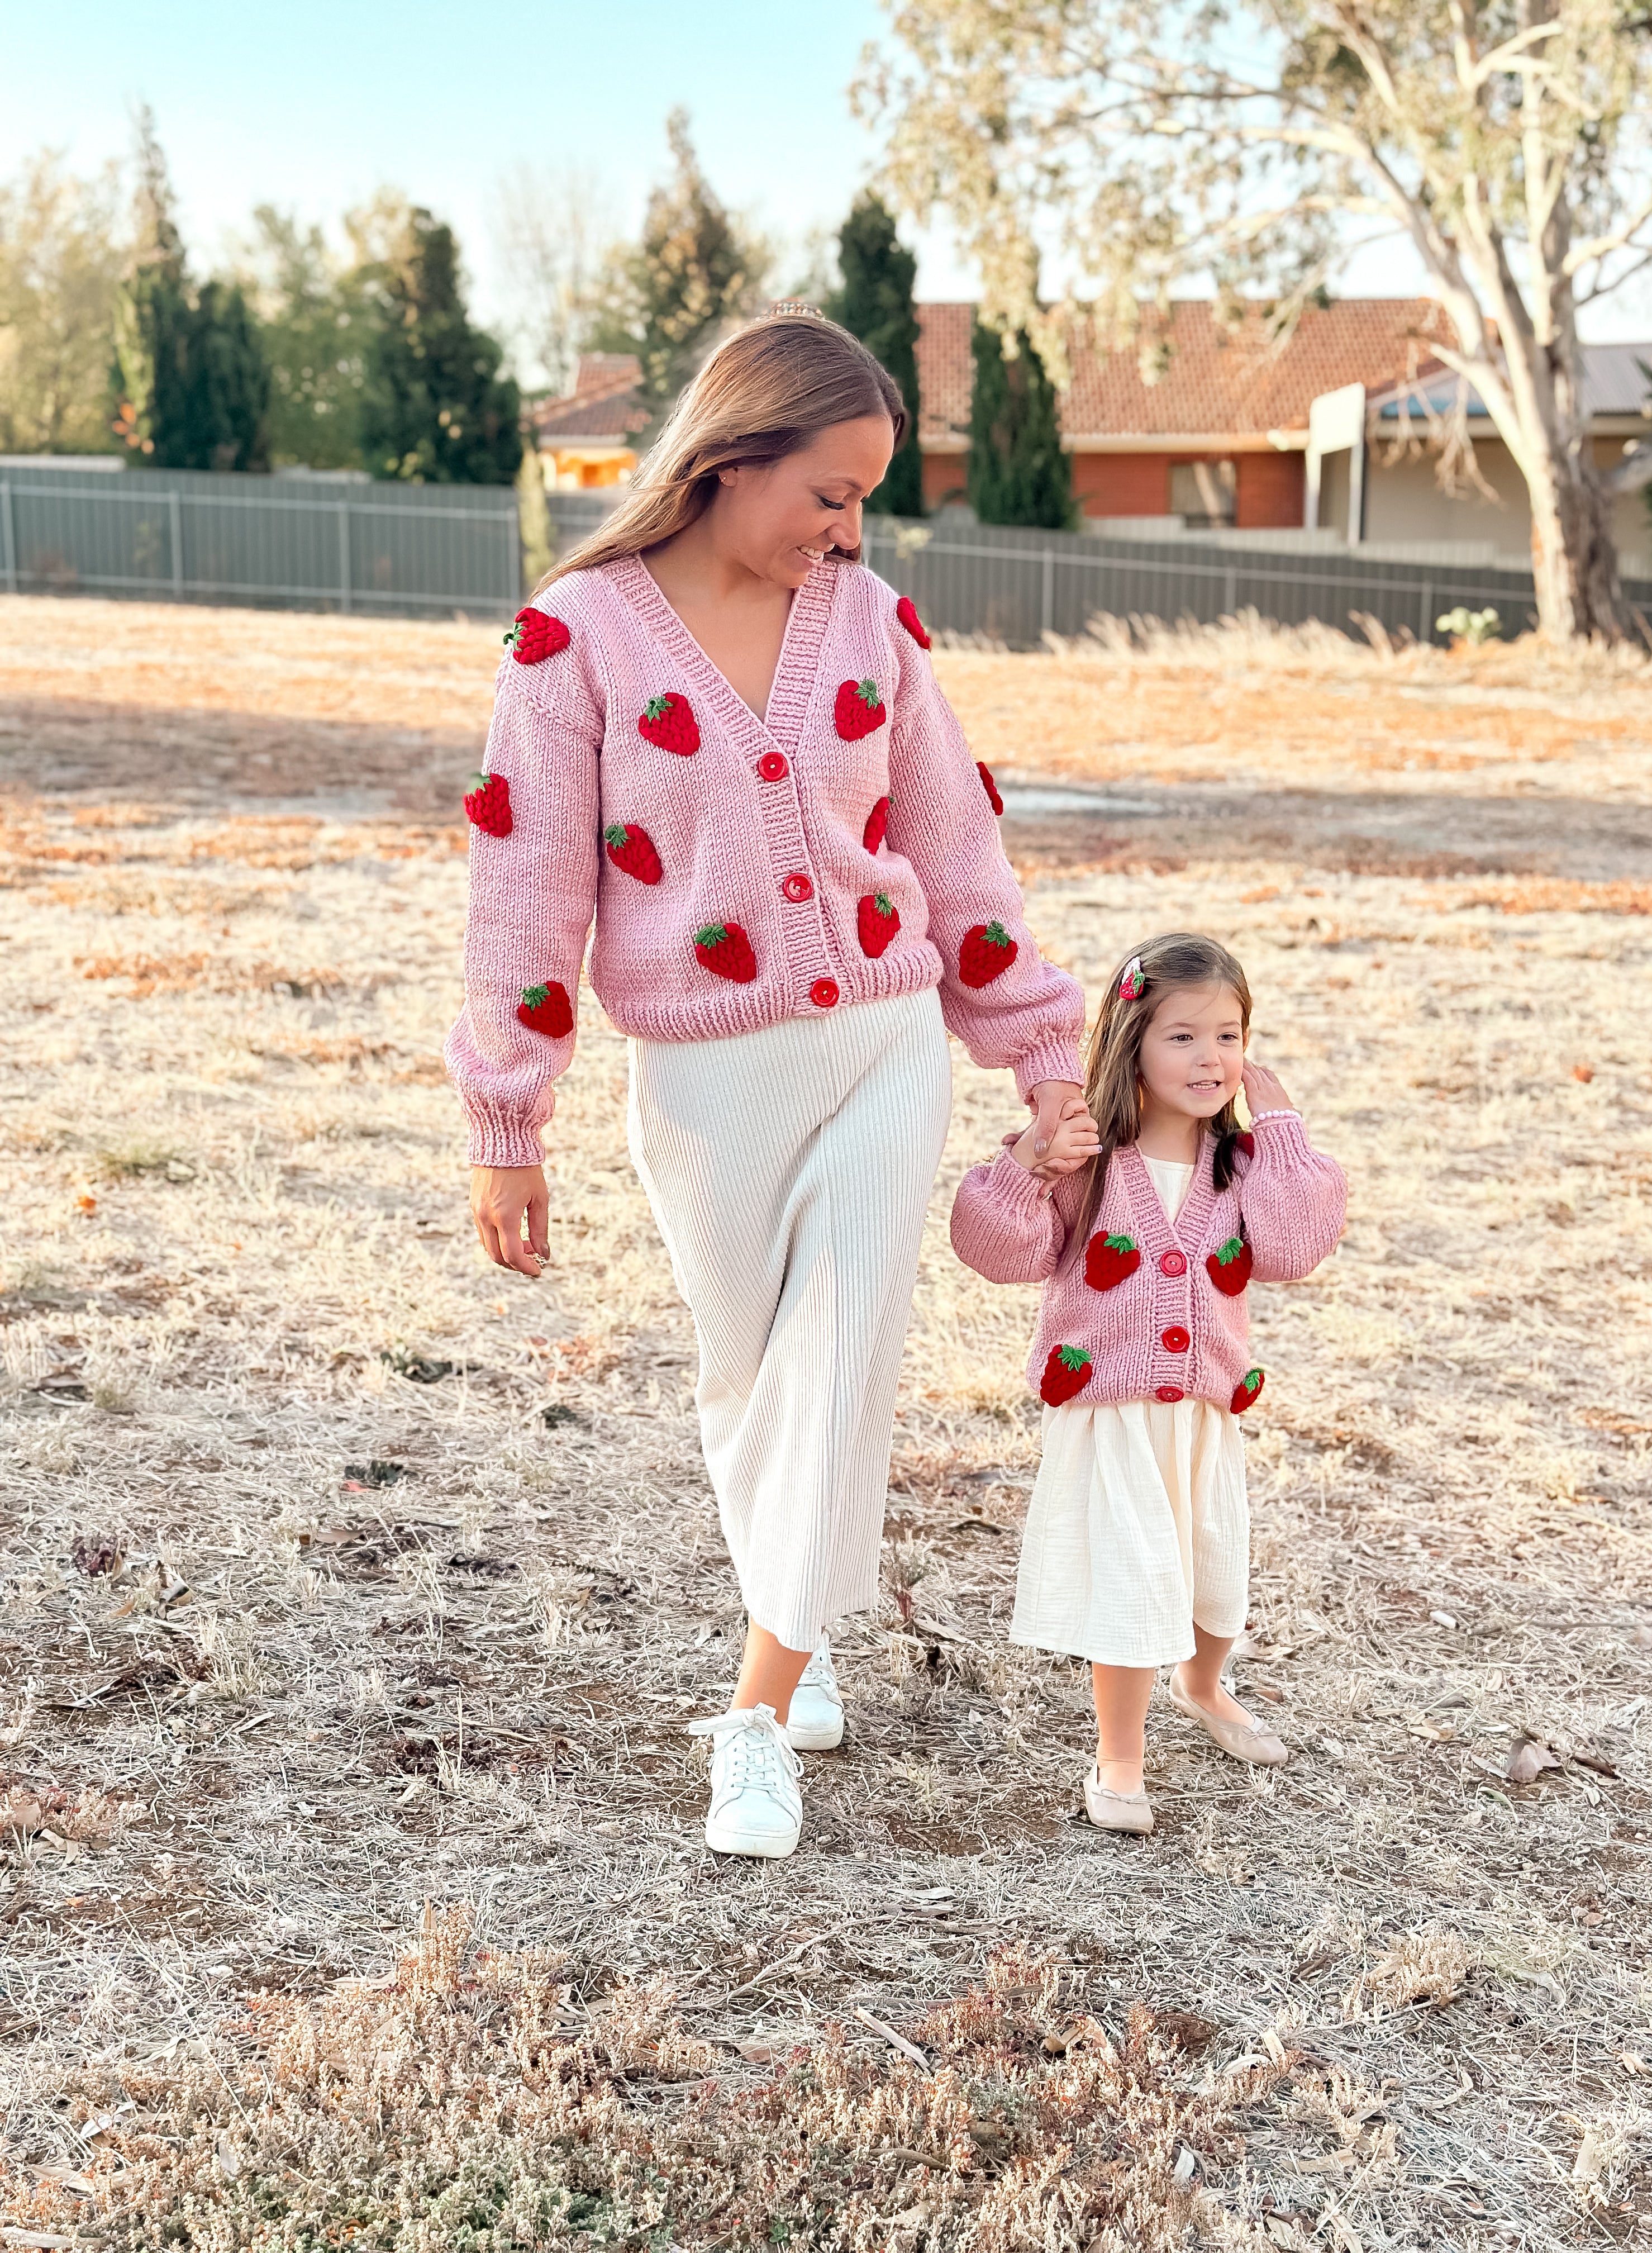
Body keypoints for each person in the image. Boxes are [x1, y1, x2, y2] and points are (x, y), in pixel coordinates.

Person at [445, 310, 1090, 1860]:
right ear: (731, 463)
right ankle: (792, 1633)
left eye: (868, 500)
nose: (850, 531)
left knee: (842, 1358)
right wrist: (505, 1121)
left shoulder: (872, 626)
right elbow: (524, 889)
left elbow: (955, 850)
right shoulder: (575, 635)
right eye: (829, 493)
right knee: (745, 1377)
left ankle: (761, 1705)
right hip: (706, 1080)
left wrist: (1041, 1054)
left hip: (879, 1046)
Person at [949, 931, 1346, 1836]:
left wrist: (1279, 1126)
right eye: (1182, 1036)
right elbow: (993, 1252)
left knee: (1213, 1569)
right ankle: (1119, 1755)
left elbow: (1292, 1248)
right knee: (1132, 1580)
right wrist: (1026, 1167)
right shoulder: (1085, 1161)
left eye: (1229, 1036)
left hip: (1205, 1410)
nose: (1210, 1058)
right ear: (1131, 1039)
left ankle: (1204, 1686)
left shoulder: (1241, 1168)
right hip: (1110, 1413)